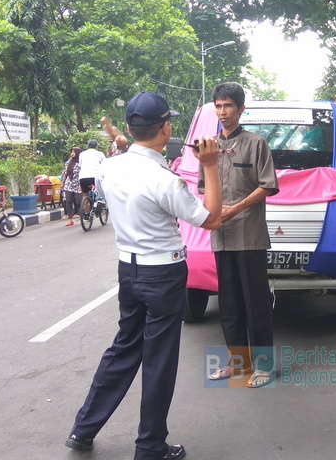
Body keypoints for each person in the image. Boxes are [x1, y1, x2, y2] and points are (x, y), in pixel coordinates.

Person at [65, 92, 223, 460]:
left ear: (133, 130)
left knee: (124, 348)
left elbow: (118, 161)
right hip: (163, 273)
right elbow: (211, 219)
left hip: (129, 269)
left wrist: (119, 142)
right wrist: (211, 166)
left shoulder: (110, 167)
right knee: (158, 360)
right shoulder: (164, 180)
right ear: (166, 128)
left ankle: (84, 428)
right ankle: (150, 446)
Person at [202, 82, 279, 389]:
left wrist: (235, 209)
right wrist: (212, 214)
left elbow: (268, 185)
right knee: (229, 303)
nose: (223, 112)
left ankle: (264, 366)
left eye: (228, 106)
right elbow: (202, 186)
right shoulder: (206, 146)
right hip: (220, 237)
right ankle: (237, 363)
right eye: (218, 106)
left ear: (241, 109)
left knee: (255, 302)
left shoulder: (255, 143)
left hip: (249, 236)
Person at [78, 139, 106, 214]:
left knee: (85, 195)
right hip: (95, 177)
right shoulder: (100, 154)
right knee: (100, 191)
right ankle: (99, 201)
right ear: (96, 146)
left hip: (83, 177)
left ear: (88, 146)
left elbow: (80, 166)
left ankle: (86, 214)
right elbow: (104, 166)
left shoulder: (82, 154)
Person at [61, 147, 82, 227]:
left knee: (78, 201)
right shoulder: (68, 162)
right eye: (71, 152)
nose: (72, 153)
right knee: (68, 201)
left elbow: (82, 173)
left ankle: (82, 215)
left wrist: (81, 185)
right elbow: (65, 173)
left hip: (77, 183)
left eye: (74, 152)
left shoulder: (81, 162)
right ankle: (70, 219)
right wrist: (63, 182)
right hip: (69, 183)